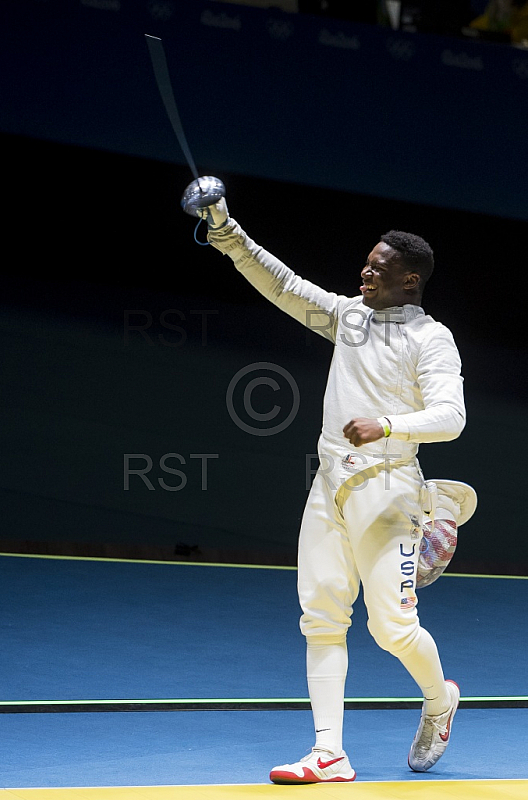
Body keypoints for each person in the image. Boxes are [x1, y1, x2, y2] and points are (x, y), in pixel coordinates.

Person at [199, 196, 469, 783]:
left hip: (392, 489)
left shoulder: (432, 340)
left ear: (409, 280)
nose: (365, 273)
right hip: (330, 484)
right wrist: (224, 229)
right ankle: (329, 752)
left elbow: (452, 417)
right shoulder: (349, 317)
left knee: (391, 629)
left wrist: (388, 424)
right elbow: (285, 285)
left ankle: (440, 697)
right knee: (320, 615)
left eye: (378, 268)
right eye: (366, 264)